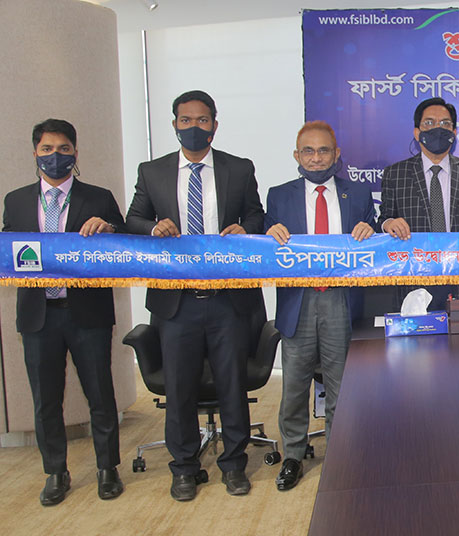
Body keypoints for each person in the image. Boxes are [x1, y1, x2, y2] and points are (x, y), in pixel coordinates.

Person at [126, 90, 265, 500]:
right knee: (179, 389)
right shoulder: (152, 171)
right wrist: (153, 228)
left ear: (214, 125)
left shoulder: (239, 168)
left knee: (232, 386)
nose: (194, 127)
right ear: (174, 125)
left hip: (228, 299)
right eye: (185, 120)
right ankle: (184, 467)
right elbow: (133, 218)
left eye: (202, 120)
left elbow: (256, 214)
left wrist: (246, 229)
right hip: (176, 302)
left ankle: (234, 465)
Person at [2, 119, 125, 505]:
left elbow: (126, 242)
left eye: (63, 149)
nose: (55, 156)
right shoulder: (16, 200)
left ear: (75, 152)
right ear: (35, 153)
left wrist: (108, 228)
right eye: (47, 149)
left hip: (88, 313)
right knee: (46, 400)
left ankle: (108, 468)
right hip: (38, 316)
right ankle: (55, 471)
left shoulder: (99, 197)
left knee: (100, 394)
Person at [264, 121, 376, 491]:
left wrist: (370, 229)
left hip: (340, 300)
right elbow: (264, 242)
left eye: (323, 150)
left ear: (336, 154)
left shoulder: (357, 194)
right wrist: (267, 233)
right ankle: (293, 456)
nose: (316, 158)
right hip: (297, 300)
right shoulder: (278, 196)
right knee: (294, 387)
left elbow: (374, 238)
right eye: (308, 151)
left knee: (342, 386)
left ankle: (341, 455)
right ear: (297, 155)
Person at [377, 97, 459, 310]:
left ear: (454, 132)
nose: (437, 129)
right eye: (429, 123)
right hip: (413, 280)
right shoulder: (395, 174)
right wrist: (389, 224)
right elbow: (384, 219)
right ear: (417, 132)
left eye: (445, 124)